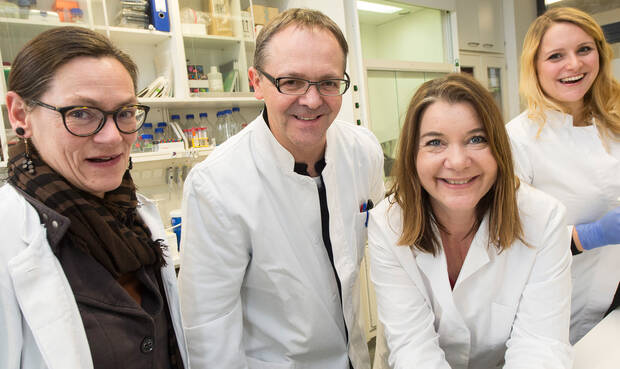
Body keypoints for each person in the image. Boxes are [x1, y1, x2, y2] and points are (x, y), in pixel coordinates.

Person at [178, 8, 384, 369]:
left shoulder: (362, 152)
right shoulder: (217, 184)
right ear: (257, 82)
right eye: (291, 82)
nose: (312, 100)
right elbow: (209, 332)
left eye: (328, 82)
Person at [0, 27, 188, 368]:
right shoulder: (9, 236)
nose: (113, 137)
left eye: (126, 112)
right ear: (19, 114)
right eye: (81, 113)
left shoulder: (135, 216)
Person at [369, 73, 573, 369]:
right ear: (413, 155)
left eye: (476, 139)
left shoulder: (543, 219)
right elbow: (414, 346)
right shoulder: (389, 224)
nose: (458, 161)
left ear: (499, 149)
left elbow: (539, 345)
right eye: (435, 142)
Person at [506, 7, 620, 343]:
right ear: (535, 68)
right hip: (555, 306)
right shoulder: (518, 138)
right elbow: (509, 238)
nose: (574, 64)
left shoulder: (614, 125)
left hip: (613, 297)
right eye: (556, 56)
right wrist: (589, 235)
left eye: (584, 49)